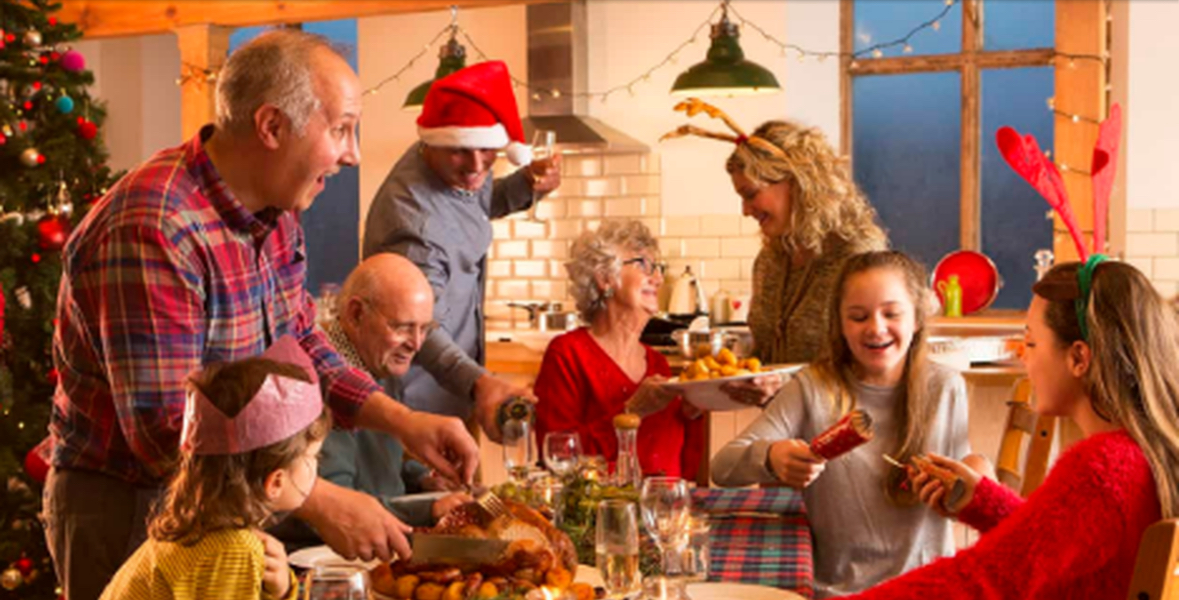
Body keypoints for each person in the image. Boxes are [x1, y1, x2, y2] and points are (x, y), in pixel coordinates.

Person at [45, 29, 477, 600]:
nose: (352, 153)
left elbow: (300, 343)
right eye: (342, 128)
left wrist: (401, 421)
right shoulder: (156, 228)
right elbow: (164, 432)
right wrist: (318, 499)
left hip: (227, 497)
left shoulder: (275, 212)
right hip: (131, 506)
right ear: (272, 127)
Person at [841, 257, 1177, 599]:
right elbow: (1051, 545)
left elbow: (983, 578)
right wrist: (982, 500)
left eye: (1030, 343)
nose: (1024, 358)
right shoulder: (1139, 452)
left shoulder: (1101, 471)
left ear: (1079, 358)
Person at [711, 251, 972, 597]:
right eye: (858, 316)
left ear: (917, 319)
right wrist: (772, 457)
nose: (876, 327)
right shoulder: (812, 388)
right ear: (840, 324)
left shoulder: (946, 388)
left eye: (891, 313)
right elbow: (722, 468)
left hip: (927, 590)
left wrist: (972, 479)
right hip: (838, 592)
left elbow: (965, 492)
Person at [363, 60, 561, 441]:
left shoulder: (448, 160)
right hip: (416, 409)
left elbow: (476, 199)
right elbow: (418, 331)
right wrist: (481, 383)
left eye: (487, 150)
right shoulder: (415, 225)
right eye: (460, 152)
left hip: (453, 395)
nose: (475, 166)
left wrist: (528, 185)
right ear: (432, 142)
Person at [662, 99, 888, 408]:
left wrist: (785, 388)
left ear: (798, 183)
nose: (745, 210)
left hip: (847, 431)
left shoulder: (858, 258)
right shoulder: (770, 261)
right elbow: (767, 360)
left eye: (751, 194)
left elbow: (875, 371)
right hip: (787, 434)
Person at [101, 337, 330, 600]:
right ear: (275, 481)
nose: (317, 465)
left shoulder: (202, 532)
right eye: (314, 456)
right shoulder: (232, 549)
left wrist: (280, 591)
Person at [534, 221, 704, 478]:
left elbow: (683, 466)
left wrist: (694, 413)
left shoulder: (657, 363)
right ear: (605, 278)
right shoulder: (568, 354)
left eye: (657, 268)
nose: (657, 278)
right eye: (642, 264)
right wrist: (631, 412)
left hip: (662, 510)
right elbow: (557, 460)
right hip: (600, 513)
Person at [317, 254, 469, 528]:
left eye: (425, 329)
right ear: (356, 314)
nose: (417, 344)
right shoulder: (325, 386)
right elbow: (334, 508)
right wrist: (429, 508)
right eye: (403, 327)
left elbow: (383, 470)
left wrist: (424, 479)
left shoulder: (380, 363)